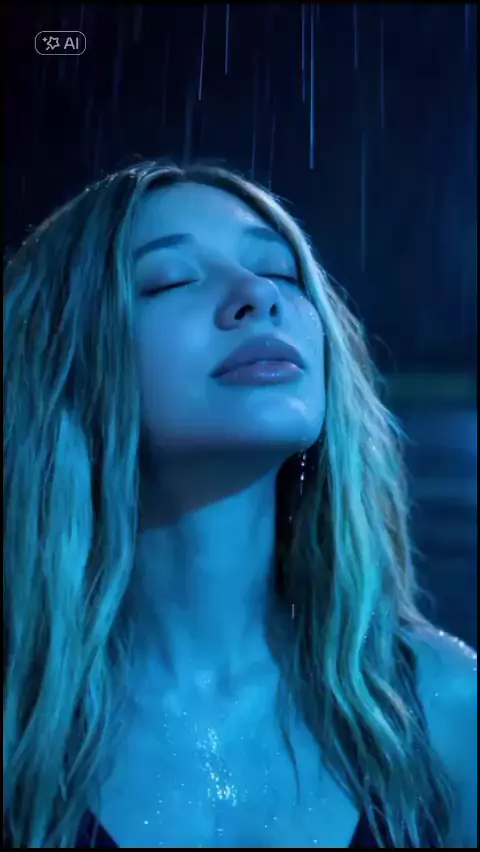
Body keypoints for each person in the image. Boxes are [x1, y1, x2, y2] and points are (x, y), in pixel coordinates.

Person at [3, 160, 477, 849]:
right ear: (63, 363)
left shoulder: (447, 712)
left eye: (281, 272)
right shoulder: (18, 732)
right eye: (170, 280)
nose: (259, 295)